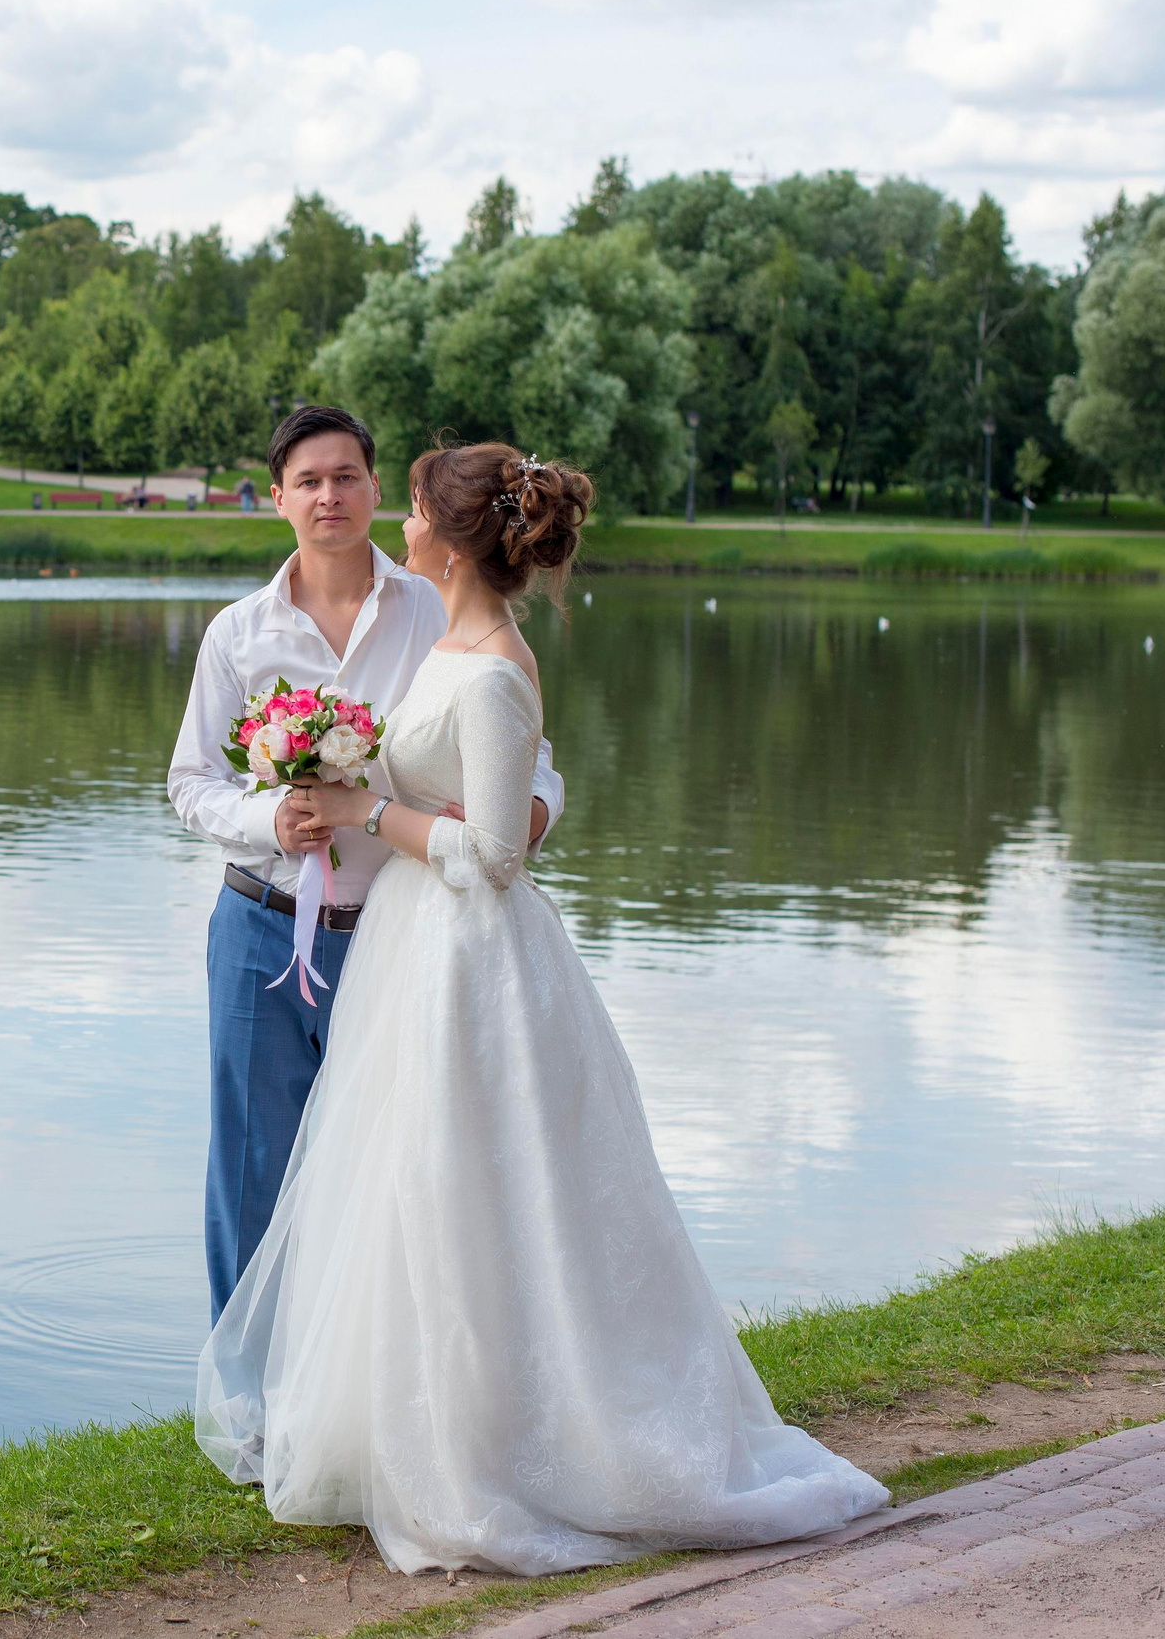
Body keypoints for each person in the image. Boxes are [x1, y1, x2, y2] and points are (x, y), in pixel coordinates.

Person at [194, 442, 887, 1577]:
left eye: (405, 500)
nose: (391, 518)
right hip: (407, 947)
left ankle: (517, 1436)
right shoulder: (437, 632)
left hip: (469, 956)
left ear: (443, 533)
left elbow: (499, 848)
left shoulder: (491, 660)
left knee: (476, 1182)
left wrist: (370, 808)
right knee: (402, 1185)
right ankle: (389, 1409)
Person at [167, 407, 563, 1326]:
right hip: (260, 926)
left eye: (346, 476)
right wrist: (273, 813)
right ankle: (248, 1397)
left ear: (377, 491)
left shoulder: (439, 602)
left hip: (399, 930)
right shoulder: (237, 632)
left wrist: (523, 823)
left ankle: (368, 1393)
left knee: (397, 1171)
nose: (329, 495)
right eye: (308, 481)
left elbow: (533, 757)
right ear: (277, 500)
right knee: (251, 1167)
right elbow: (191, 784)